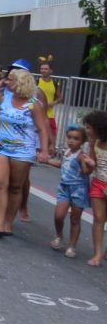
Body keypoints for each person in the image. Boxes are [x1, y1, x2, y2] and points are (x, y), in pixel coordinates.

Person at [0, 68, 50, 239]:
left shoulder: (33, 104)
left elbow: (42, 129)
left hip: (23, 150)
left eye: (10, 80)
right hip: (1, 147)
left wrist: (43, 150)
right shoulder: (5, 99)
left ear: (21, 83)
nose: (6, 82)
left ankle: (8, 222)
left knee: (15, 187)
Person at [49, 125, 90, 259]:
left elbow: (86, 172)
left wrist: (87, 164)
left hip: (78, 189)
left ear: (82, 141)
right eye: (69, 138)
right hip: (64, 187)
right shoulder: (66, 152)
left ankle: (72, 245)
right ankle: (59, 235)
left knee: (75, 219)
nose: (71, 141)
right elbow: (61, 164)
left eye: (76, 139)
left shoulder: (81, 156)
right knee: (58, 216)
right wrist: (48, 160)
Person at [82, 112, 107, 267]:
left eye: (89, 127)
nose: (87, 130)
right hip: (98, 183)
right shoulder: (94, 142)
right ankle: (97, 253)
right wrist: (87, 162)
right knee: (98, 219)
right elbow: (90, 169)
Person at [38, 56, 63, 145]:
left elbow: (60, 98)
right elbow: (31, 97)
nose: (43, 71)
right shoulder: (37, 82)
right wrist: (37, 104)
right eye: (42, 69)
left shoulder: (55, 84)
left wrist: (53, 103)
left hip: (50, 115)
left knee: (51, 137)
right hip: (38, 114)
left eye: (45, 69)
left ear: (51, 71)